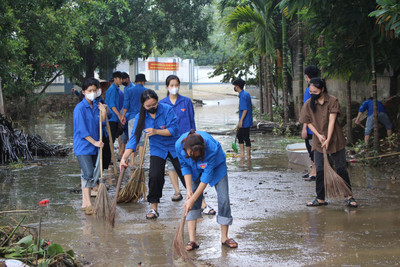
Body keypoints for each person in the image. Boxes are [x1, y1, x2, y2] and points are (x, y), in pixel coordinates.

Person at [120, 89, 186, 219]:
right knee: (155, 176)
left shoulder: (167, 109)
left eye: (154, 104)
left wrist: (156, 131)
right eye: (148, 106)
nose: (152, 108)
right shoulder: (141, 117)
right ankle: (154, 208)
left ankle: (201, 203)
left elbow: (173, 130)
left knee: (186, 173)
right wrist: (124, 157)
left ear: (157, 101)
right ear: (143, 106)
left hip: (174, 146)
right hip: (158, 149)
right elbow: (134, 138)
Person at [299, 78, 358, 208]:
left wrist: (328, 139)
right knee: (319, 169)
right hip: (318, 140)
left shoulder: (332, 100)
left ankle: (349, 196)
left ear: (322, 89)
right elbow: (308, 122)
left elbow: (332, 121)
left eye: (315, 91)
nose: (313, 93)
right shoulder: (308, 104)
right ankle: (320, 198)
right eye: (311, 91)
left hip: (335, 139)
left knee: (341, 167)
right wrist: (319, 136)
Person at [176, 130, 238, 251]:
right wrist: (189, 191)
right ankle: (193, 240)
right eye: (190, 154)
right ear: (186, 149)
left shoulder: (211, 148)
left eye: (197, 154)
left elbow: (206, 177)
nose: (194, 156)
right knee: (192, 199)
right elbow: (185, 166)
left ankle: (224, 238)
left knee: (224, 198)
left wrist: (193, 199)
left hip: (217, 167)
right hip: (194, 169)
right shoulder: (179, 145)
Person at [73, 78, 107, 215]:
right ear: (83, 92)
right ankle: (88, 203)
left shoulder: (96, 105)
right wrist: (94, 142)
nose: (92, 93)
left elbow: (101, 122)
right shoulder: (79, 108)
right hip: (83, 146)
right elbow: (81, 130)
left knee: (88, 173)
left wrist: (103, 111)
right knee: (88, 173)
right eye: (90, 91)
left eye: (95, 90)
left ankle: (84, 202)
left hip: (94, 146)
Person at [121, 73, 148, 166]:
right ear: (143, 81)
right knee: (141, 141)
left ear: (135, 81)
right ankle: (140, 162)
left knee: (132, 139)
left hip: (132, 118)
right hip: (143, 117)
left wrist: (122, 116)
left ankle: (132, 161)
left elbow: (126, 105)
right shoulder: (146, 91)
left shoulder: (129, 91)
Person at [301, 66, 319, 181]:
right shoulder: (319, 88)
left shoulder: (309, 90)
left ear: (307, 76)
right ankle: (313, 171)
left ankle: (315, 172)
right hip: (318, 125)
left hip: (310, 127)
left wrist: (304, 127)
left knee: (311, 149)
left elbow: (307, 110)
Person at [232, 78, 253, 159]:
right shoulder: (245, 94)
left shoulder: (243, 96)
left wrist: (241, 121)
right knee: (240, 136)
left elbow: (245, 109)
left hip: (245, 121)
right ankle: (243, 154)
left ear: (237, 86)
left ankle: (247, 155)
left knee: (245, 137)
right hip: (245, 120)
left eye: (234, 86)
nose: (234, 88)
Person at [105, 71, 123, 144]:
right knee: (110, 140)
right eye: (119, 78)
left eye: (122, 79)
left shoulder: (116, 89)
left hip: (114, 118)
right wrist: (119, 116)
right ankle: (109, 154)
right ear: (115, 79)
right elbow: (112, 105)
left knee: (112, 139)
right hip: (112, 118)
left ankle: (111, 154)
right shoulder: (112, 89)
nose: (121, 80)